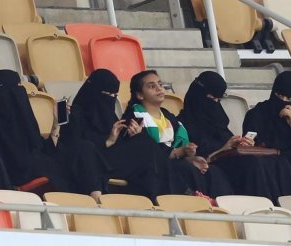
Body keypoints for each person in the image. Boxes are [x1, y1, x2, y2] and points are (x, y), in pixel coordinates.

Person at [60, 69, 173, 201]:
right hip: (89, 163)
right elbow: (73, 147)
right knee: (85, 148)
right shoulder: (75, 115)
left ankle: (155, 199)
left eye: (114, 95)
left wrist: (131, 135)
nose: (110, 99)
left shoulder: (109, 115)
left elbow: (120, 146)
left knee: (145, 143)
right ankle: (96, 199)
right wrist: (107, 141)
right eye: (107, 94)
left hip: (110, 162)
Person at [178, 71, 291, 202]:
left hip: (259, 163)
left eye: (218, 100)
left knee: (277, 164)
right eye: (211, 98)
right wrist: (227, 148)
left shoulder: (219, 122)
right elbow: (201, 158)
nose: (283, 102)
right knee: (257, 163)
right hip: (224, 166)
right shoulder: (182, 125)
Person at [123, 70, 232, 199]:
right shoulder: (134, 118)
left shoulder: (170, 118)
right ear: (140, 95)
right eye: (152, 86)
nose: (159, 88)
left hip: (176, 162)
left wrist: (190, 156)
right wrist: (179, 153)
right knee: (184, 169)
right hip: (153, 168)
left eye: (160, 84)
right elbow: (145, 150)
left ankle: (221, 209)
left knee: (213, 172)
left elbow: (180, 146)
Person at [0, 69, 73, 192]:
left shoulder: (24, 119)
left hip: (38, 166)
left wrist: (56, 123)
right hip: (16, 175)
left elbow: (42, 149)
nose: (20, 91)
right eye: (16, 87)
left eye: (20, 86)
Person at [242, 71, 291, 199]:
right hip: (266, 162)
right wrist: (249, 143)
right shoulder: (258, 114)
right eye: (279, 95)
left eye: (289, 99)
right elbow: (251, 142)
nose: (283, 101)